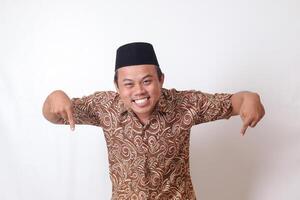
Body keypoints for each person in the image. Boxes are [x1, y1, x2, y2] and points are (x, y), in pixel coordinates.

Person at [42, 42, 265, 200]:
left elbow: (237, 101)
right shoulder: (103, 107)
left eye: (147, 81)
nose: (139, 91)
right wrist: (54, 96)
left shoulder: (185, 104)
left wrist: (251, 98)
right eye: (128, 84)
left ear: (161, 80)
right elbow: (54, 114)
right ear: (117, 86)